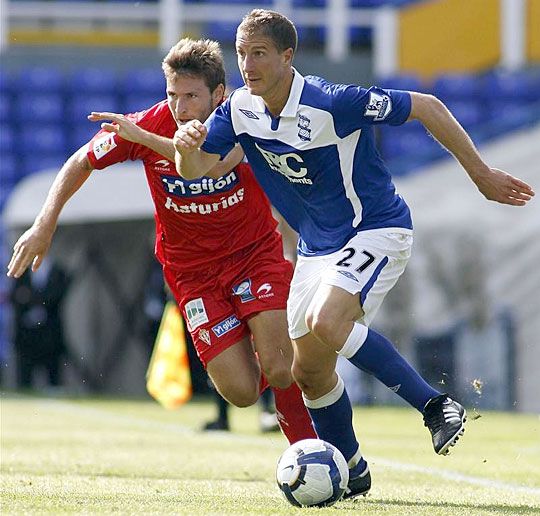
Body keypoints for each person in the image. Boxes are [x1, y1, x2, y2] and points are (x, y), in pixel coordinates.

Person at [172, 9, 535, 499]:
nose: (248, 64)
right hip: (316, 250)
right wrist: (186, 145)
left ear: (287, 55)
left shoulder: (331, 101)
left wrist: (482, 175)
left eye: (258, 53)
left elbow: (426, 105)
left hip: (375, 229)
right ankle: (354, 468)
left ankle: (436, 406)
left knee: (327, 321)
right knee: (309, 371)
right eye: (241, 54)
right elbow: (193, 171)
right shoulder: (239, 110)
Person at [6, 37, 316, 446]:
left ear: (218, 94)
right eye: (173, 95)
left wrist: (143, 138)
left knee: (278, 366)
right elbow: (81, 159)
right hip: (193, 275)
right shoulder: (151, 122)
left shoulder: (242, 116)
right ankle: (278, 358)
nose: (181, 107)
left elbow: (209, 166)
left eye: (191, 96)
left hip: (253, 256)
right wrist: (45, 223)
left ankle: (314, 452)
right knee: (241, 392)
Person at [9, 256, 70, 390]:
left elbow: (57, 296)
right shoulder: (22, 272)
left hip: (50, 336)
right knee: (24, 381)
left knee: (54, 380)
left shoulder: (58, 271)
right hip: (27, 337)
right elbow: (15, 296)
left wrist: (30, 298)